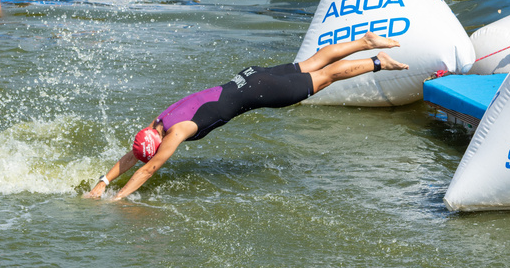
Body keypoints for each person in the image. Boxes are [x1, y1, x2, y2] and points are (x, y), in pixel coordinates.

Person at [85, 32, 408, 201]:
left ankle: (378, 61)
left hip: (259, 92)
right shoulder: (157, 123)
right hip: (249, 77)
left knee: (325, 78)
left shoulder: (176, 133)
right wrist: (103, 182)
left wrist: (119, 198)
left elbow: (149, 168)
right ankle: (364, 41)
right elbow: (134, 156)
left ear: (155, 142)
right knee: (310, 63)